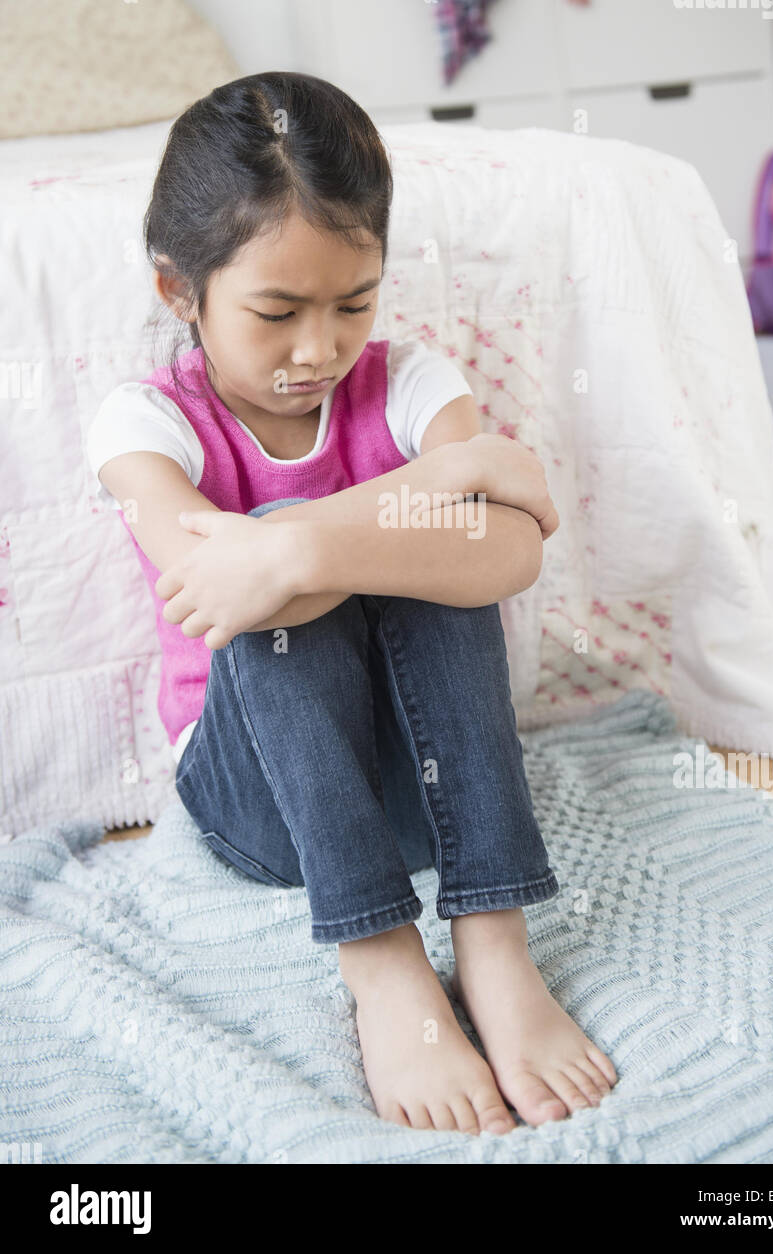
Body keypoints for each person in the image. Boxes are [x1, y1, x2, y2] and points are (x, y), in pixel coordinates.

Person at [87, 71, 617, 1136]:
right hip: (268, 811)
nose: (318, 350)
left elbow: (511, 547)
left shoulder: (411, 380)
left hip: (429, 797)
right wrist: (432, 490)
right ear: (178, 292)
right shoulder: (145, 422)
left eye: (353, 303)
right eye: (276, 312)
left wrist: (302, 540)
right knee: (282, 601)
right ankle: (380, 963)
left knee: (429, 564)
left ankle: (494, 943)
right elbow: (212, 583)